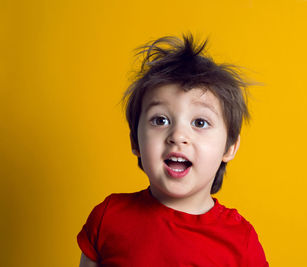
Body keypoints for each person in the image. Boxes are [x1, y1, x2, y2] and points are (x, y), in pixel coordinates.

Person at [77, 34, 269, 266]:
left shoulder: (241, 242)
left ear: (229, 148)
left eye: (200, 123)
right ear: (135, 142)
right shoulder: (108, 218)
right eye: (160, 120)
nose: (178, 136)